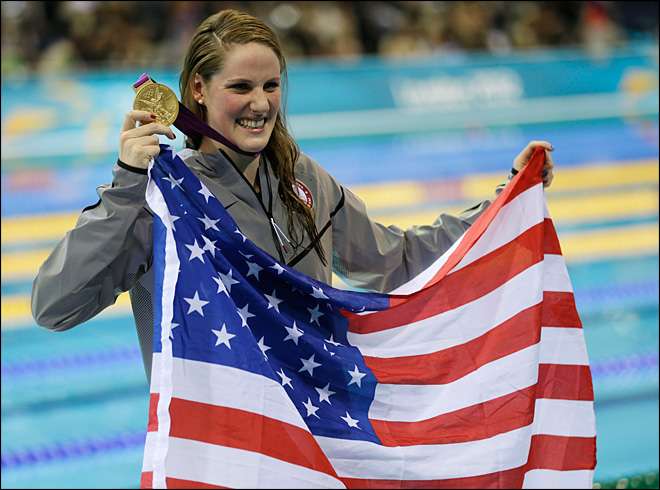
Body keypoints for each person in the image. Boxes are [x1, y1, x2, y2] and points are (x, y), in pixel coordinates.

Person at [31, 9, 555, 381]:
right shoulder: (164, 201)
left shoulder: (300, 178)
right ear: (198, 89)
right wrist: (126, 185)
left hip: (309, 444)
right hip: (218, 451)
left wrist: (503, 202)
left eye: (271, 86)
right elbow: (55, 307)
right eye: (240, 87)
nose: (259, 104)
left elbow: (393, 261)